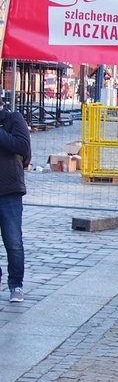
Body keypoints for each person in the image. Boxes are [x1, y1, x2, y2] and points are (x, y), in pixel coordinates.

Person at [0, 98, 31, 303]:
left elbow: (23, 147)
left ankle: (16, 285)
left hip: (9, 190)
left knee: (13, 242)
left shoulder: (13, 119)